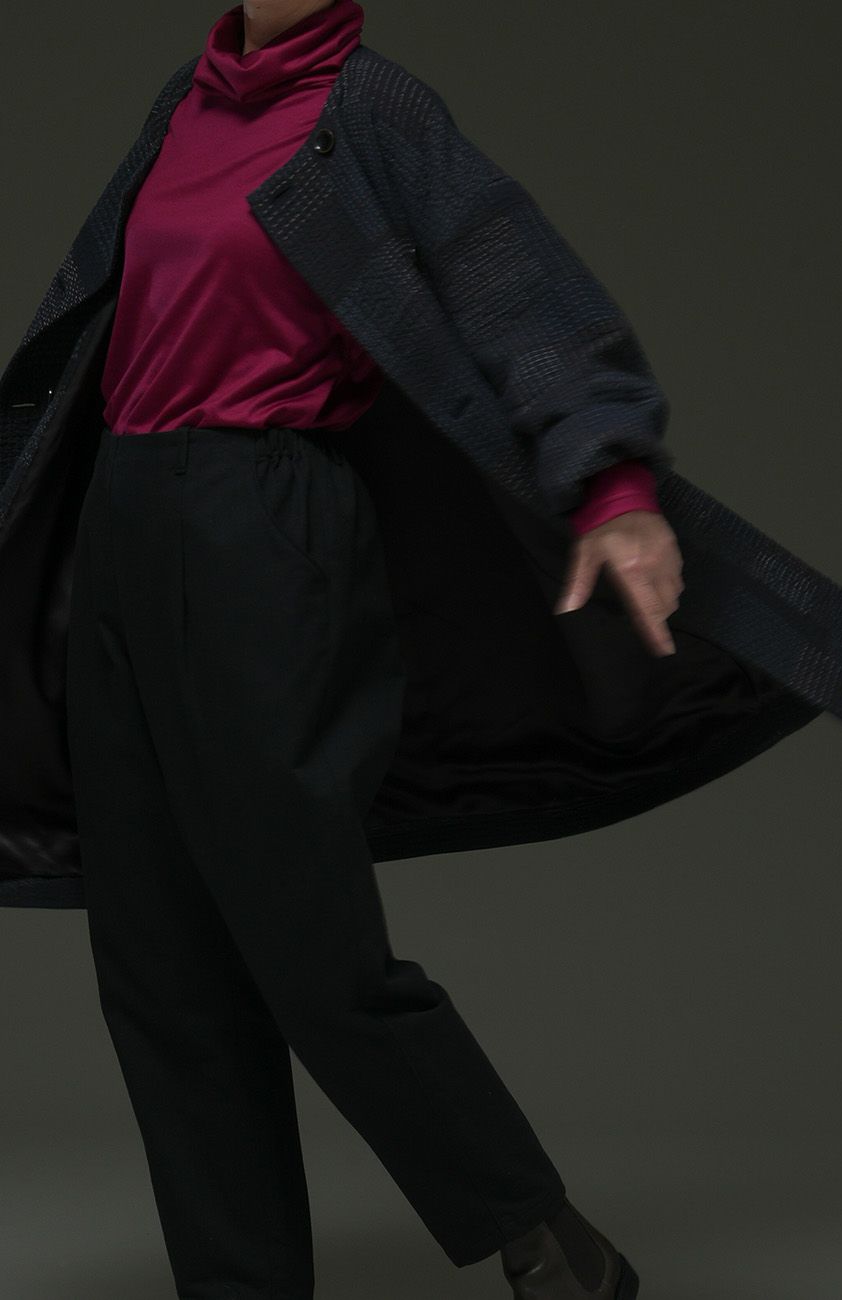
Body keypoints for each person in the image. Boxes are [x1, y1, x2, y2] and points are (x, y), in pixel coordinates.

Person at [63, 2, 676, 1295]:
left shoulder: (372, 110)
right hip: (121, 520)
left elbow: (517, 284)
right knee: (156, 956)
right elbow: (95, 326)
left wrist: (614, 483)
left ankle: (542, 1235)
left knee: (305, 934)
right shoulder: (188, 101)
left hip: (262, 520)